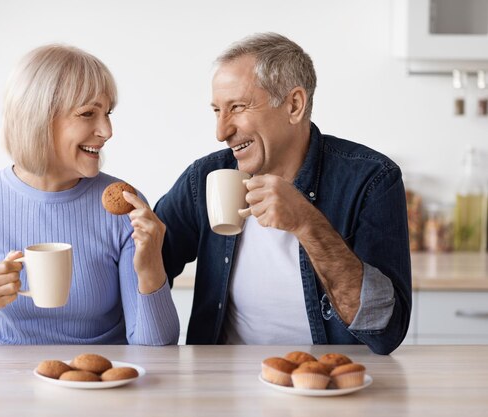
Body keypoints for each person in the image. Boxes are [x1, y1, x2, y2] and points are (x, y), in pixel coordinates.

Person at [154, 33, 411, 355]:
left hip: (329, 383)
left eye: (237, 107)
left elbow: (384, 329)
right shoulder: (204, 178)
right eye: (217, 110)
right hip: (224, 386)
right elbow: (148, 270)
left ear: (294, 105)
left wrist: (307, 223)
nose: (221, 132)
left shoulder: (372, 179)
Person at [0, 44, 179, 346]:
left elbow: (156, 349)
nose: (107, 130)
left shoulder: (126, 205)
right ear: (38, 119)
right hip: (9, 386)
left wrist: (152, 266)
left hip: (100, 382)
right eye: (88, 113)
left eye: (108, 113)